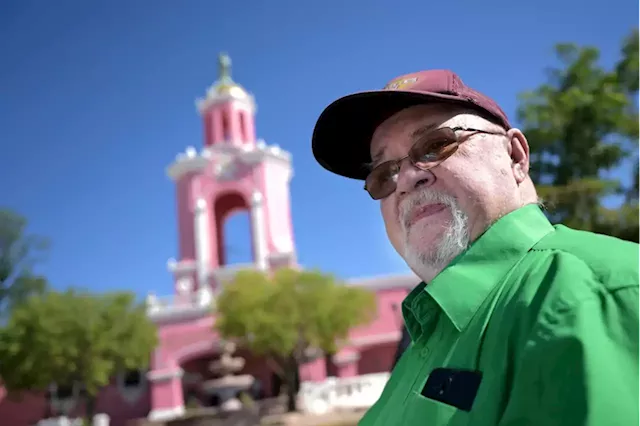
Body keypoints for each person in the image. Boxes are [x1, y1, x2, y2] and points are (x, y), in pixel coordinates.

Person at [311, 69, 639, 426]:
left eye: (435, 145)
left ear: (515, 156)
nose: (405, 179)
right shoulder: (425, 340)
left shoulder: (597, 292)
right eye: (384, 173)